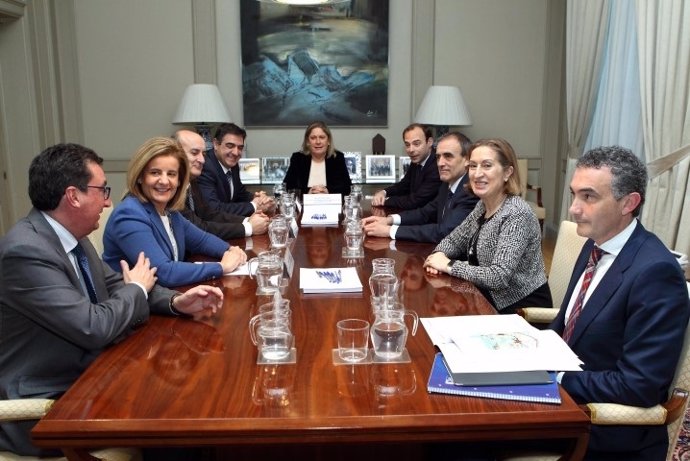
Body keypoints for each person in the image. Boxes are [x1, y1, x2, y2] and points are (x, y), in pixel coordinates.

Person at [0, 143, 224, 457]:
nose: (108, 202)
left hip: (92, 374)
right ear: (73, 196)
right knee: (179, 415)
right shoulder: (26, 252)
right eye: (102, 190)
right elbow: (94, 326)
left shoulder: (72, 237)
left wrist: (175, 302)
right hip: (50, 403)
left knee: (193, 390)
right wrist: (137, 290)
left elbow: (119, 283)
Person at [549, 146, 690, 460]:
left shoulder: (655, 273)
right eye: (574, 194)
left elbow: (640, 384)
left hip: (602, 430)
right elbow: (567, 328)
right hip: (569, 402)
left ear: (629, 202)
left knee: (465, 442)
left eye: (589, 197)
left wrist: (554, 377)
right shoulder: (595, 245)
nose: (573, 209)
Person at [423, 138, 551, 313]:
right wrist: (437, 256)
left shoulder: (517, 213)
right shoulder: (482, 205)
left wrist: (448, 265)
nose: (477, 174)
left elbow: (498, 277)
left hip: (521, 310)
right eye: (473, 166)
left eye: (487, 165)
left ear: (507, 172)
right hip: (484, 299)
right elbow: (454, 240)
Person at [103, 137, 247, 287]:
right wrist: (221, 267)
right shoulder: (129, 214)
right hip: (137, 306)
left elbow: (201, 240)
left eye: (171, 174)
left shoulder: (169, 211)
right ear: (140, 177)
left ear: (179, 181)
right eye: (155, 173)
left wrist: (230, 249)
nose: (164, 181)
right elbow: (164, 273)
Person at [362, 132, 478, 243]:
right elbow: (425, 213)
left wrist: (389, 230)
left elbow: (445, 231)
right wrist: (389, 220)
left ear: (467, 160)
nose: (440, 163)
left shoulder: (471, 190)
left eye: (448, 156)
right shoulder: (447, 184)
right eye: (438, 157)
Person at [174, 129, 269, 239]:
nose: (202, 160)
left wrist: (248, 220)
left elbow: (208, 214)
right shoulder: (172, 188)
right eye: (194, 153)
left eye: (203, 154)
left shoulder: (191, 180)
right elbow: (198, 227)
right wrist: (248, 227)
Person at [197, 123, 275, 216]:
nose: (236, 152)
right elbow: (214, 209)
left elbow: (239, 193)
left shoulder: (232, 164)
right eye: (230, 146)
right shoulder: (205, 167)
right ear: (216, 144)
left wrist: (258, 198)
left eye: (240, 147)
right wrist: (254, 205)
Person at [371, 123, 441, 209]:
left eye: (416, 144)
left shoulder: (438, 165)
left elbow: (416, 201)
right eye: (407, 145)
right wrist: (384, 192)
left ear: (429, 142)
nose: (411, 150)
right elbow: (404, 185)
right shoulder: (418, 158)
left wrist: (384, 200)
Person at [283, 121, 352, 196]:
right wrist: (308, 192)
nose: (318, 142)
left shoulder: (337, 158)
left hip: (331, 205)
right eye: (313, 138)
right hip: (304, 205)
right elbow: (288, 187)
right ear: (307, 142)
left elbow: (347, 188)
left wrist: (328, 191)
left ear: (328, 141)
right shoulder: (298, 158)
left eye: (322, 137)